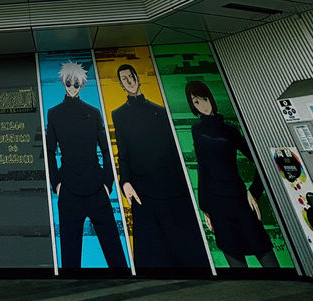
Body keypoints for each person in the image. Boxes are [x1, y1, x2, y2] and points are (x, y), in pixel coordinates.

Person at [111, 64, 209, 269]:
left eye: (131, 76)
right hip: (142, 189)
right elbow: (123, 152)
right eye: (124, 79)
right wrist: (125, 181)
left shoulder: (160, 111)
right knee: (153, 251)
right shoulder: (118, 114)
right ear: (121, 85)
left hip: (172, 186)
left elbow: (173, 151)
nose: (129, 81)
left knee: (185, 247)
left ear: (137, 77)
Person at [186, 80, 278, 268]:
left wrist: (254, 191)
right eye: (196, 102)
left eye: (204, 99)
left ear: (210, 98)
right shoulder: (196, 130)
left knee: (268, 258)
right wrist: (205, 207)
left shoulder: (230, 131)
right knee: (237, 267)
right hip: (217, 205)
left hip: (239, 199)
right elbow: (203, 169)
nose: (202, 105)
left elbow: (260, 162)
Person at [46, 61, 126, 269]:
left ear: (81, 84)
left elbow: (107, 149)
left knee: (116, 257)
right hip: (69, 190)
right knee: (70, 261)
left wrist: (107, 183)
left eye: (76, 83)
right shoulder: (54, 113)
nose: (72, 87)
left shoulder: (94, 112)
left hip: (96, 188)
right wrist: (57, 184)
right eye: (69, 82)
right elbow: (48, 151)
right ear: (64, 82)